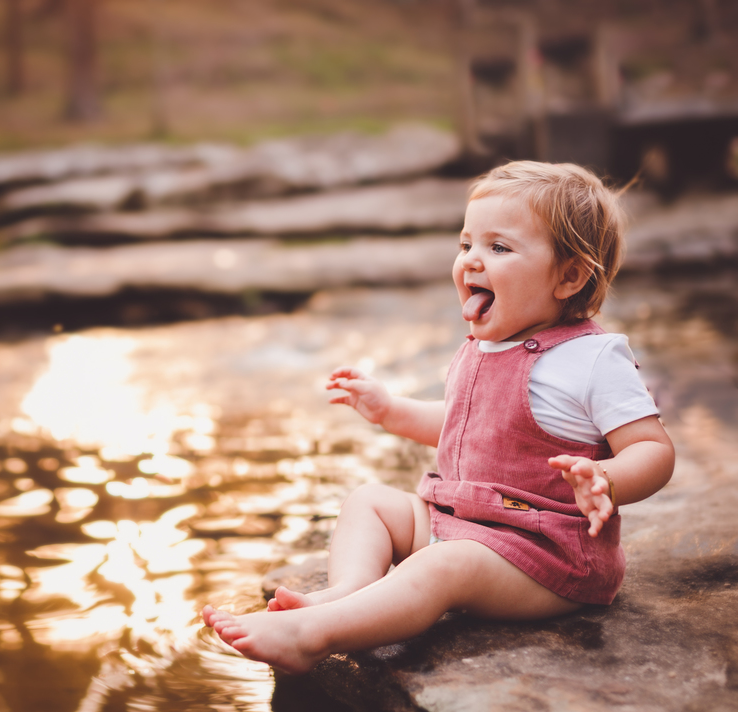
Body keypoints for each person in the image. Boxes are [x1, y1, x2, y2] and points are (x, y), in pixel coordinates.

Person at [202, 161, 675, 675]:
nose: (471, 260)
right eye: (466, 244)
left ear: (569, 276)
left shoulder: (593, 359)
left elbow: (654, 450)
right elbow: (467, 426)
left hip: (547, 558)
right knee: (371, 502)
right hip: (463, 522)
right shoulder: (484, 346)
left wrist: (606, 478)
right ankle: (346, 594)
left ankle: (312, 637)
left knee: (443, 565)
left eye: (498, 248)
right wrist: (391, 411)